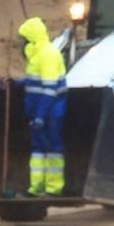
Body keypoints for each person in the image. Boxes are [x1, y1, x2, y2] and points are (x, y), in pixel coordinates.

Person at [18, 16, 67, 196]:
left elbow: (49, 89)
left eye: (23, 39)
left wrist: (40, 115)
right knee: (38, 150)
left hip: (51, 111)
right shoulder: (37, 56)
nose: (21, 44)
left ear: (32, 38)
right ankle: (36, 187)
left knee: (53, 148)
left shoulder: (48, 55)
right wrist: (17, 83)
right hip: (40, 111)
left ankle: (54, 188)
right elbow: (35, 81)